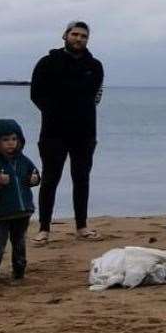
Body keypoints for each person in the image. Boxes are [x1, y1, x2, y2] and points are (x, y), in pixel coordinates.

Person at [30, 21, 105, 243]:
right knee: (50, 179)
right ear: (65, 35)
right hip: (53, 132)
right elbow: (36, 94)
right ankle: (44, 228)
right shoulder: (47, 63)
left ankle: (81, 226)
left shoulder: (95, 65)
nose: (79, 39)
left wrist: (79, 112)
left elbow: (95, 96)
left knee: (81, 178)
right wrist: (54, 112)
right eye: (75, 34)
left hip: (84, 133)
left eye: (84, 36)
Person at [0, 119, 40, 286]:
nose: (11, 143)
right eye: (5, 140)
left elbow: (35, 175)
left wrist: (34, 179)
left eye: (14, 139)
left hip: (22, 210)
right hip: (0, 213)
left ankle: (19, 273)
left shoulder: (24, 160)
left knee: (19, 244)